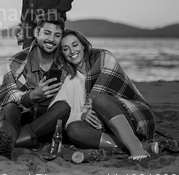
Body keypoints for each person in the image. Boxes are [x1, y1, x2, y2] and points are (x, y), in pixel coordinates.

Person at [54, 29, 157, 161]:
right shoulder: (70, 79)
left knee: (99, 99)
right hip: (103, 126)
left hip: (131, 119)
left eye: (75, 45)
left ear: (83, 45)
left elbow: (99, 91)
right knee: (73, 129)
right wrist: (82, 115)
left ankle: (136, 147)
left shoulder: (102, 57)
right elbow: (58, 112)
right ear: (62, 54)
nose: (72, 51)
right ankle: (141, 146)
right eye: (66, 49)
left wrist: (86, 108)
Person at [0, 12, 70, 159]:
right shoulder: (17, 62)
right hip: (20, 118)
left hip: (45, 123)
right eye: (47, 33)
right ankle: (12, 139)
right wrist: (33, 95)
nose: (51, 39)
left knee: (63, 107)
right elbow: (10, 95)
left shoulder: (66, 64)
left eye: (57, 35)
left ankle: (6, 143)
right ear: (37, 32)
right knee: (10, 107)